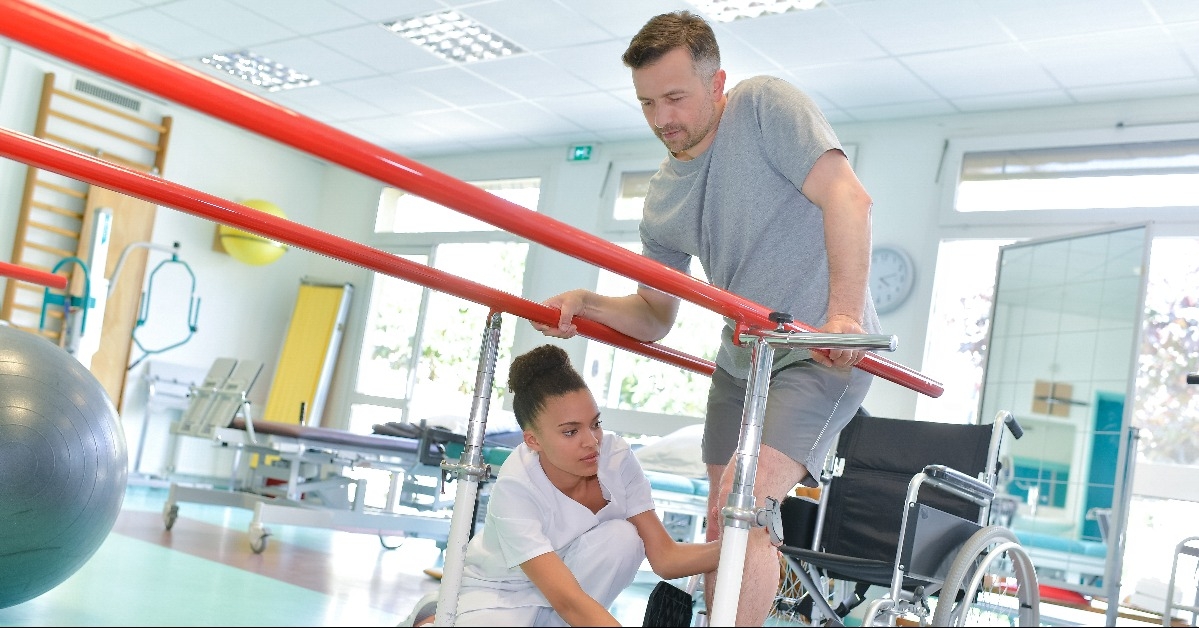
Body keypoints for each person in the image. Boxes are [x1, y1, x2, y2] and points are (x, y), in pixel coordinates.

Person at [531, 10, 879, 626]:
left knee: (748, 502)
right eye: (646, 104)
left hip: (819, 351)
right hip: (744, 360)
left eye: (676, 97)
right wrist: (586, 305)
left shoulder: (764, 107)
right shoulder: (664, 195)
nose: (664, 119)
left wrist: (845, 316)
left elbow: (848, 196)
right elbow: (652, 315)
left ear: (716, 84)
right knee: (723, 516)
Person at [403, 344, 720, 627]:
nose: (591, 441)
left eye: (595, 423)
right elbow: (567, 600)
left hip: (571, 592)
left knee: (624, 536)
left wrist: (745, 548)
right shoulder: (516, 484)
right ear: (533, 440)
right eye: (571, 432)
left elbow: (665, 557)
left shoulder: (617, 457)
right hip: (501, 592)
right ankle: (436, 617)